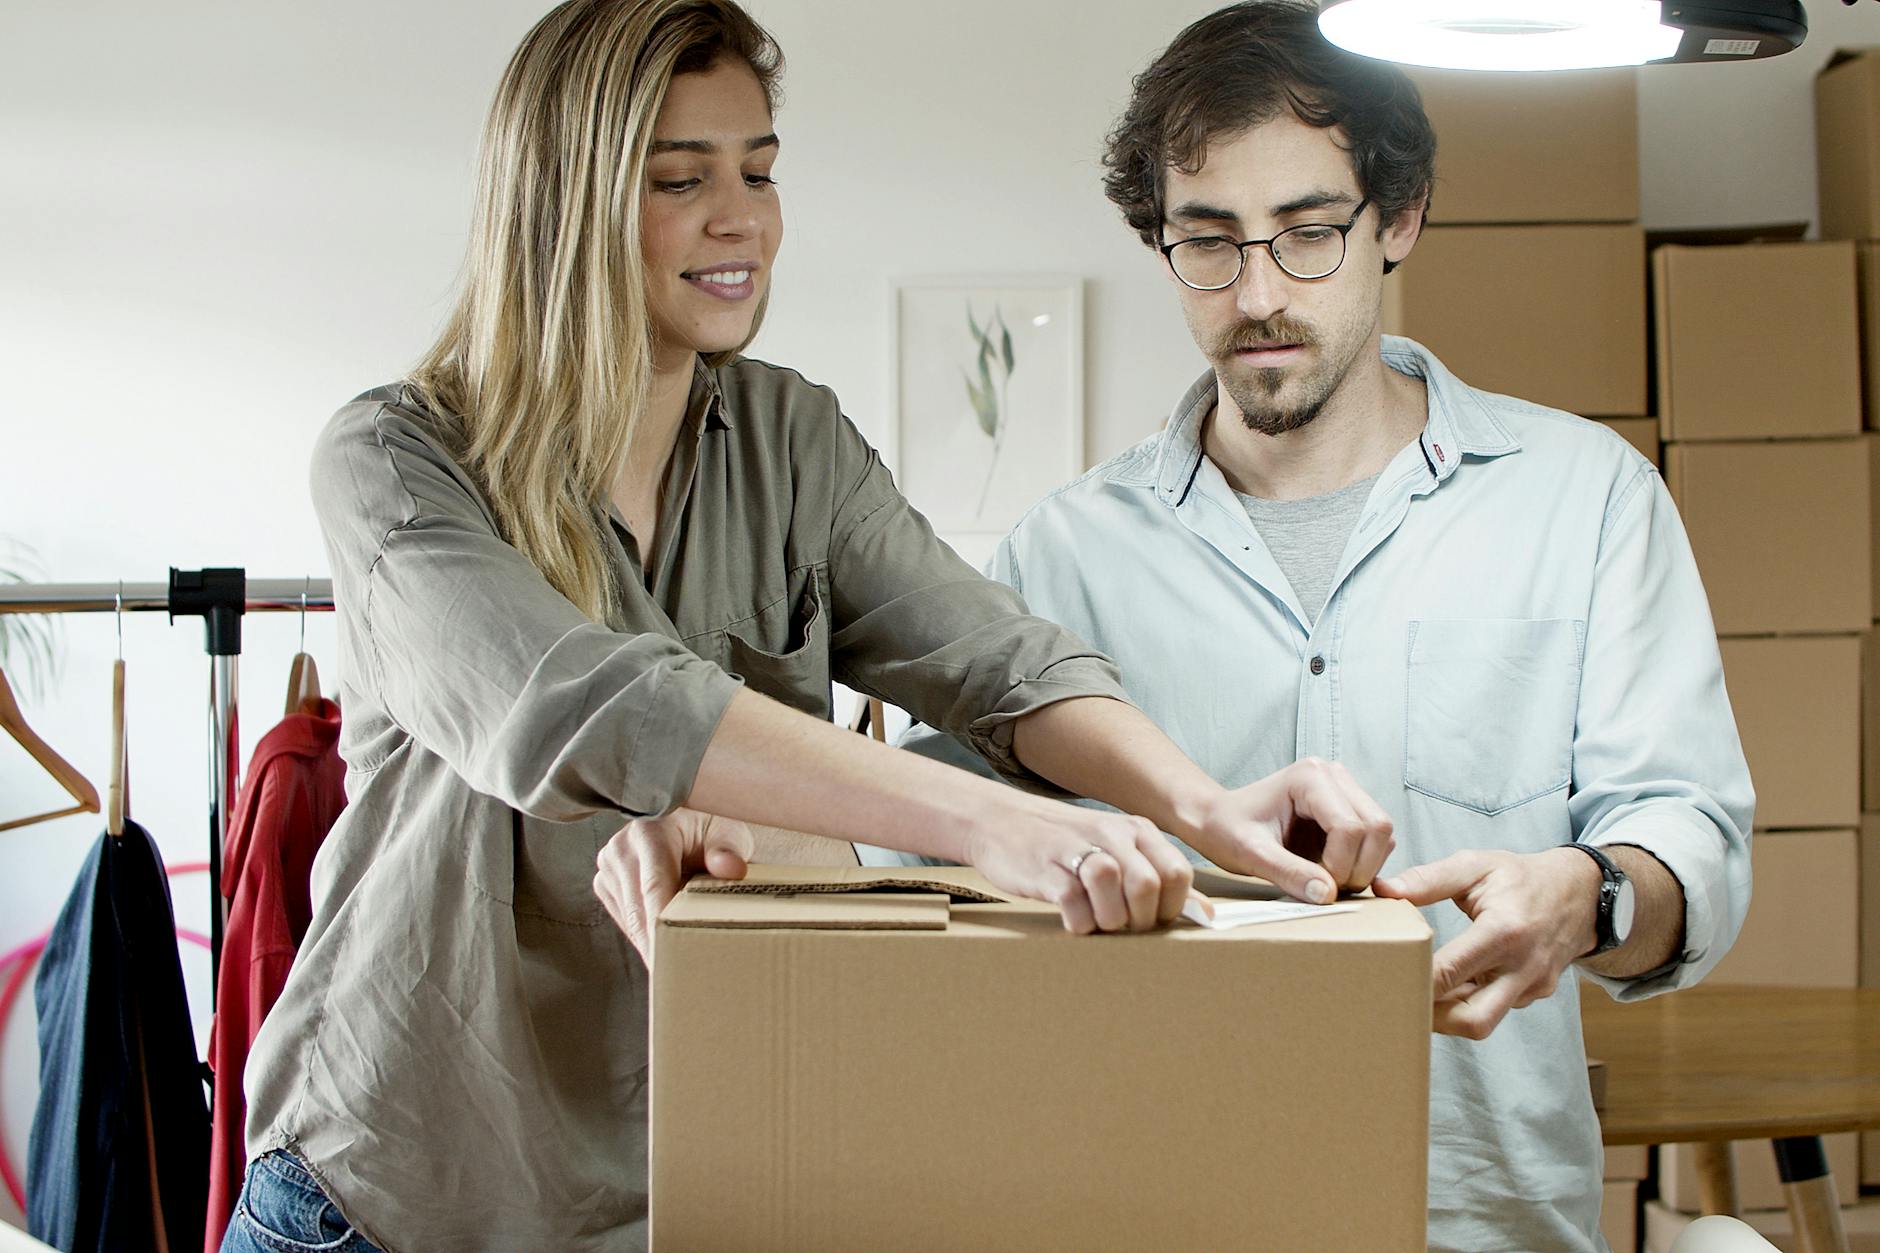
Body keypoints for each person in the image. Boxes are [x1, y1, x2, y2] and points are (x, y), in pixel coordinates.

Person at [221, 2, 1395, 1250]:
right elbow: (583, 705)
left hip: (676, 1186)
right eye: (682, 179)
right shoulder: (399, 461)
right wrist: (997, 825)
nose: (744, 220)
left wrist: (1194, 801)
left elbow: (996, 655)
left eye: (760, 170)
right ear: (563, 204)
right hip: (395, 1198)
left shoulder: (793, 439)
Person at [889, 4, 1753, 1250]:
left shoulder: (1585, 499)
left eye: (1305, 235)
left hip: (1477, 1221)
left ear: (1395, 220)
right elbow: (923, 846)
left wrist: (1588, 891)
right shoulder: (1062, 552)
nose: (1254, 295)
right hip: (1147, 1210)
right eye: (1206, 241)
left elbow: (1693, 836)